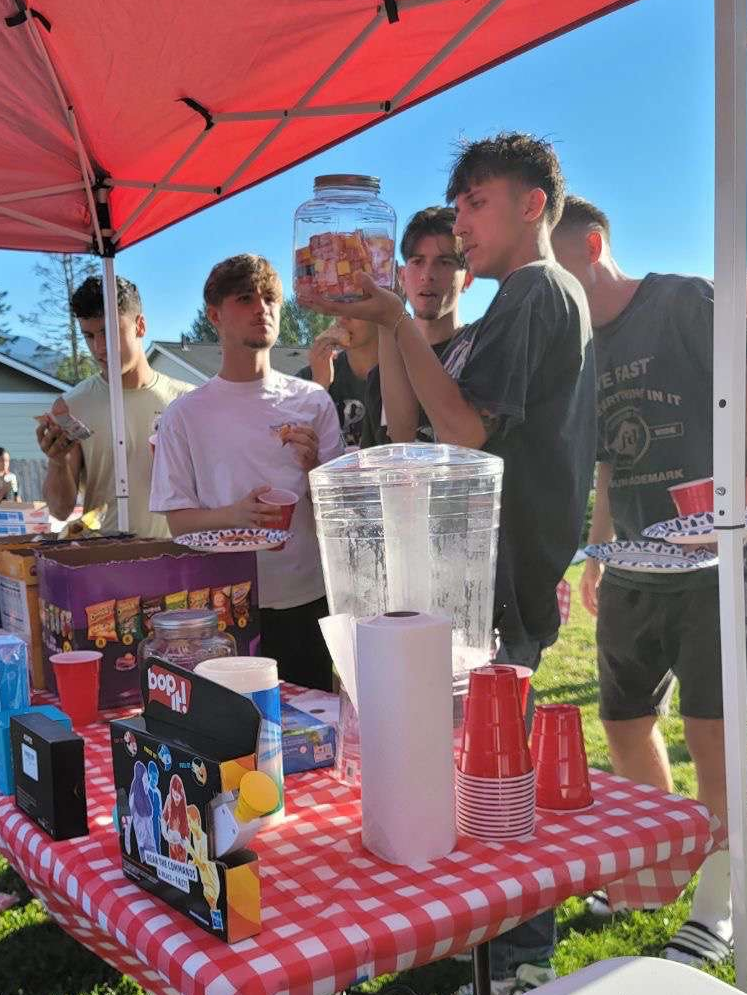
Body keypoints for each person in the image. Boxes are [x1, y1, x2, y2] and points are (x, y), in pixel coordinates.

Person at [299, 133, 596, 994]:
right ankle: (468, 943)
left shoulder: (536, 290)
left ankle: (516, 957)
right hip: (473, 573)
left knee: (499, 774)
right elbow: (406, 427)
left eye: (474, 203)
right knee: (470, 769)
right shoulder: (504, 310)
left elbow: (465, 432)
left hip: (500, 577)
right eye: (456, 204)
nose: (461, 223)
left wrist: (394, 319)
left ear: (531, 203)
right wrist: (392, 322)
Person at [552, 194, 732, 968]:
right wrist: (597, 550)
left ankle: (722, 905)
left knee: (715, 737)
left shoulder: (682, 301)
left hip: (713, 564)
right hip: (630, 565)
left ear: (591, 244)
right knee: (624, 724)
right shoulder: (582, 345)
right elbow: (601, 454)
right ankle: (670, 870)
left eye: (554, 267)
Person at [150, 254, 343, 690]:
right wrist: (237, 514)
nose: (263, 308)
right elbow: (177, 520)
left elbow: (340, 514)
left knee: (307, 736)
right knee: (227, 737)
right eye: (245, 298)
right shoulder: (185, 415)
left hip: (304, 600)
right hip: (220, 607)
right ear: (215, 316)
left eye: (271, 297)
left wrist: (315, 468)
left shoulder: (312, 401)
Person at [36, 275, 192, 537]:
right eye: (88, 335)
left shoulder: (186, 401)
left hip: (174, 559)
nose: (99, 348)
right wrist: (58, 462)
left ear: (140, 326)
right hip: (101, 561)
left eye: (109, 333)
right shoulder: (71, 406)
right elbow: (59, 510)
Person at [360, 205, 475, 447]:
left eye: (444, 262)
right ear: (402, 275)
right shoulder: (380, 373)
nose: (427, 275)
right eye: (417, 261)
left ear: (468, 278)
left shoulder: (483, 350)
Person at [298, 316, 379, 448]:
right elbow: (290, 451)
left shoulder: (408, 374)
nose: (342, 318)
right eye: (338, 304)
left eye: (354, 304)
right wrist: (319, 388)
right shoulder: (307, 380)